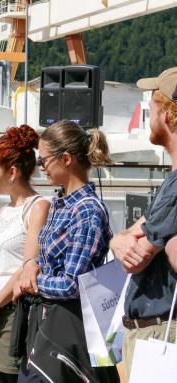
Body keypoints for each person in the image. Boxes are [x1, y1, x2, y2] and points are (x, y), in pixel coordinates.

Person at [16, 120, 119, 383]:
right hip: (50, 324)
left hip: (68, 329)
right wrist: (31, 265)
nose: (41, 167)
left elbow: (72, 284)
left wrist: (32, 282)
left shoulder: (86, 210)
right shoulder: (63, 201)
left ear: (66, 159)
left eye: (44, 160)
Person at [109, 67, 177, 376]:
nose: (149, 113)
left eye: (152, 106)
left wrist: (129, 242)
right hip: (149, 331)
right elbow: (129, 238)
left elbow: (135, 259)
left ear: (169, 114)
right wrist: (118, 240)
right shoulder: (170, 181)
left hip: (161, 333)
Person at [0, 125, 50, 383]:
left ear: (13, 172)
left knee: (12, 374)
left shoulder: (38, 207)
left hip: (15, 309)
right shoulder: (5, 210)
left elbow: (28, 264)